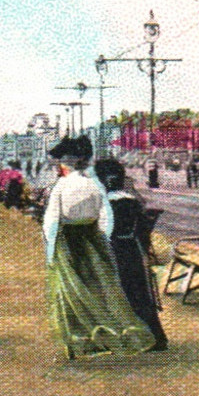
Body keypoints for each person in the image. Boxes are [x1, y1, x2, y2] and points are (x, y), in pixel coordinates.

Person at [43, 135, 154, 359]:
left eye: (58, 165)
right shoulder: (94, 185)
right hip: (92, 240)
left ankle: (79, 340)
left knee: (70, 291)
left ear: (64, 165)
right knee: (99, 289)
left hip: (68, 241)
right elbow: (106, 219)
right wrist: (101, 241)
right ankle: (105, 336)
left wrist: (50, 250)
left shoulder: (60, 187)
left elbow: (52, 223)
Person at [95, 159, 168, 351]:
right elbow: (143, 230)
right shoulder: (131, 201)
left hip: (111, 252)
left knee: (110, 293)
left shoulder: (102, 203)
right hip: (132, 250)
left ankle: (116, 338)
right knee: (140, 295)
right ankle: (156, 336)